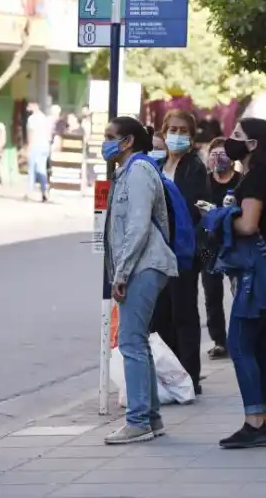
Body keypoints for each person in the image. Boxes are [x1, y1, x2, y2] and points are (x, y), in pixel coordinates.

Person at [102, 118, 178, 445]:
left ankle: (137, 421)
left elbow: (137, 227)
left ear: (128, 141)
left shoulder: (138, 172)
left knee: (131, 342)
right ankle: (151, 418)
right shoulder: (127, 172)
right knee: (138, 341)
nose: (104, 143)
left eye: (109, 137)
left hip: (143, 266)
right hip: (141, 265)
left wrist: (121, 273)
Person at [218, 118, 266, 448]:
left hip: (259, 267)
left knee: (241, 343)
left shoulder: (258, 177)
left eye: (237, 136)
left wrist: (217, 218)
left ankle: (254, 423)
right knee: (262, 346)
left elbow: (247, 225)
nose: (229, 140)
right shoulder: (265, 174)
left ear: (253, 144)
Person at [153, 109, 208, 394]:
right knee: (160, 314)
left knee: (183, 313)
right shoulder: (156, 164)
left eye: (182, 130)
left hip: (183, 251)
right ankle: (167, 373)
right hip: (157, 250)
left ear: (191, 135)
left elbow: (189, 208)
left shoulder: (193, 167)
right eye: (171, 129)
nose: (176, 135)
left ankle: (189, 376)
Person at [202, 137, 242, 360]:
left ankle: (239, 336)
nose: (218, 159)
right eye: (214, 155)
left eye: (223, 155)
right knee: (211, 292)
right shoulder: (204, 181)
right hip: (208, 245)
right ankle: (219, 340)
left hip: (233, 242)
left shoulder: (240, 181)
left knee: (238, 290)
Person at [25, 102, 51, 202]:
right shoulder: (44, 118)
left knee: (32, 169)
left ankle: (30, 193)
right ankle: (44, 191)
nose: (27, 108)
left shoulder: (32, 119)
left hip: (36, 144)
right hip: (45, 145)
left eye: (29, 106)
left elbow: (31, 134)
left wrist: (29, 147)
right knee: (42, 169)